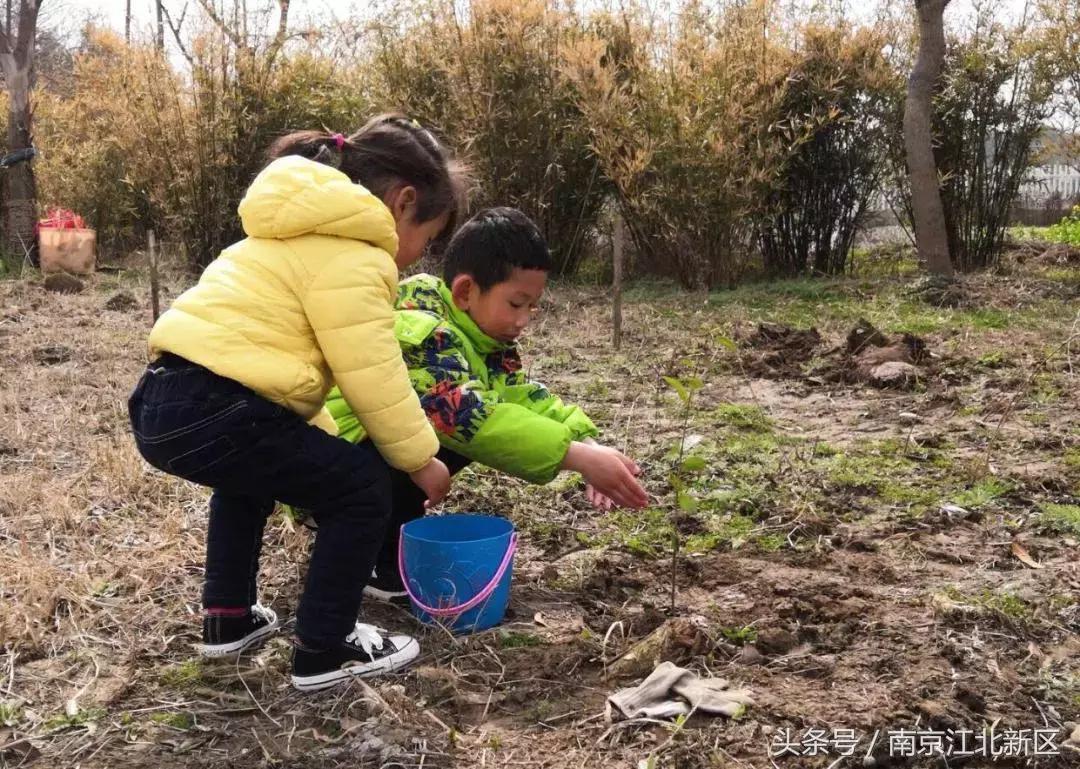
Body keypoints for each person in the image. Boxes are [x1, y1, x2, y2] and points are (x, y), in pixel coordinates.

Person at [127, 115, 468, 691]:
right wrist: (419, 459)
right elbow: (373, 373)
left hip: (166, 400)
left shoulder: (276, 237)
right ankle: (324, 648)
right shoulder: (356, 257)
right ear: (403, 202)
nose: (419, 255)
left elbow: (282, 383)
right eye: (428, 237)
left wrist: (325, 450)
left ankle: (229, 617)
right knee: (363, 489)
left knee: (248, 480)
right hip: (222, 404)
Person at [321, 207, 650, 604]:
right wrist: (571, 455)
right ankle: (370, 552)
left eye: (533, 306)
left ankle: (386, 543)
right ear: (464, 292)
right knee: (447, 436)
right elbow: (459, 414)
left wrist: (587, 443)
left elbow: (521, 396)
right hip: (338, 461)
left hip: (374, 454)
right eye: (516, 304)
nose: (526, 318)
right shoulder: (423, 327)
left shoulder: (481, 336)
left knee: (442, 442)